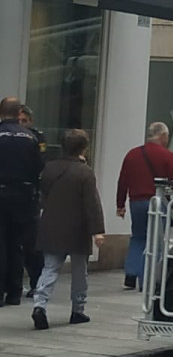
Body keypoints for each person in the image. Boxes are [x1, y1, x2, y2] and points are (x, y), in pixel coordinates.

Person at [30, 129, 105, 329]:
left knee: (50, 268)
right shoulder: (85, 172)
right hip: (77, 227)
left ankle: (40, 304)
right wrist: (97, 230)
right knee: (80, 271)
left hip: (52, 224)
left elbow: (43, 194)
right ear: (84, 148)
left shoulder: (49, 168)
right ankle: (77, 310)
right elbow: (92, 203)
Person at [116, 122, 173, 290]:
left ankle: (131, 274)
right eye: (167, 137)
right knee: (155, 241)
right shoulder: (167, 156)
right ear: (162, 136)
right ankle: (147, 278)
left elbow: (123, 180)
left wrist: (120, 204)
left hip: (136, 202)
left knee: (138, 237)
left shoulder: (132, 154)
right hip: (157, 202)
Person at [0, 96, 42, 305]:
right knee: (16, 243)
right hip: (24, 195)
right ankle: (15, 292)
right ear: (18, 114)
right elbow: (38, 168)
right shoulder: (30, 137)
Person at [17, 104, 45, 297]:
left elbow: (41, 164)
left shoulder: (36, 137)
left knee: (31, 243)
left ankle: (37, 282)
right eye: (18, 120)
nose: (21, 124)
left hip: (29, 196)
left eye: (24, 121)